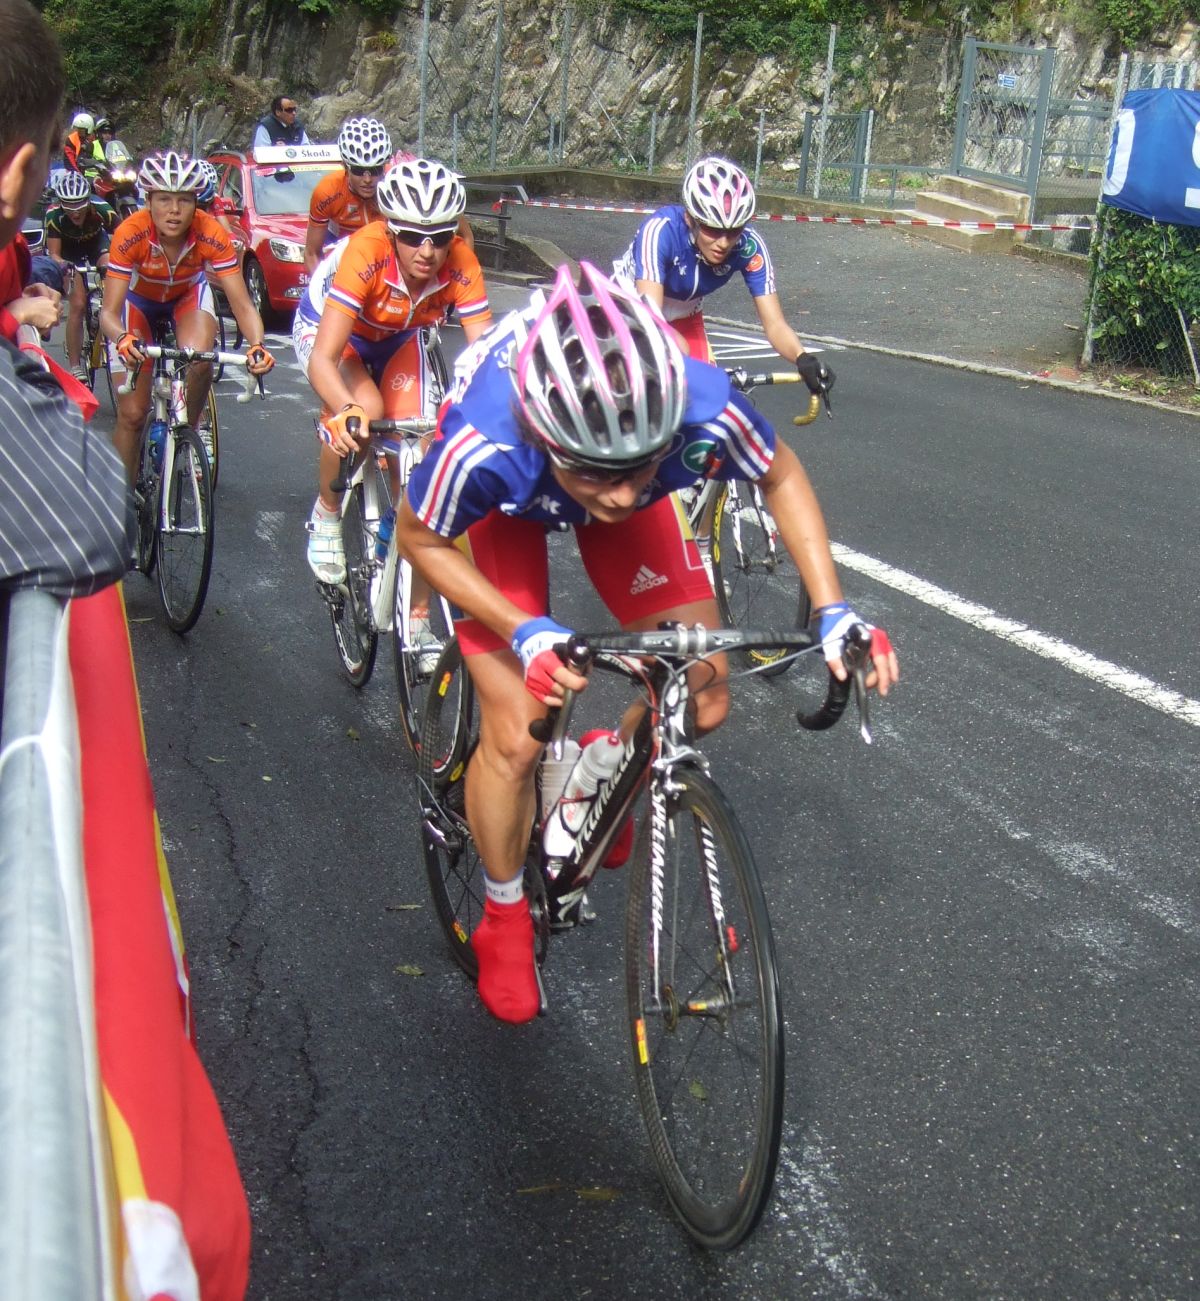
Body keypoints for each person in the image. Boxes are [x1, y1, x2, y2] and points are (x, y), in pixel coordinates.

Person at [393, 262, 898, 1024]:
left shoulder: (698, 402)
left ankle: (600, 769)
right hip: (505, 511)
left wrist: (833, 609)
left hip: (589, 465)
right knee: (520, 730)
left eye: (640, 467)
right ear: (546, 436)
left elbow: (781, 474)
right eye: (601, 474)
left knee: (705, 692)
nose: (626, 491)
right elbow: (417, 537)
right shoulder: (489, 435)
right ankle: (502, 910)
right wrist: (524, 631)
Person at [296, 156, 492, 603]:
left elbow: (486, 359)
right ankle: (326, 513)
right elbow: (324, 358)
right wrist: (345, 407)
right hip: (336, 334)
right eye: (412, 236)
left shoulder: (462, 262)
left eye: (440, 237)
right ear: (390, 231)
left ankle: (413, 608)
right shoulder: (367, 251)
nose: (427, 251)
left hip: (399, 335)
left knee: (423, 445)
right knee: (366, 412)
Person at [0, 0, 131, 600]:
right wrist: (13, 318)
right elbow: (90, 523)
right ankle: (79, 357)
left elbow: (107, 251)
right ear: (18, 175)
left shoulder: (103, 207)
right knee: (76, 298)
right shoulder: (54, 213)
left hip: (95, 250)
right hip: (66, 256)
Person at [100, 150, 274, 480]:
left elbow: (242, 304)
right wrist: (122, 338)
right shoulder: (130, 232)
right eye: (164, 199)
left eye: (184, 200)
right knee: (133, 415)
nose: (174, 210)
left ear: (197, 203)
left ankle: (187, 431)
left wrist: (257, 345)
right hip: (137, 304)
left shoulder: (210, 232)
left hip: (185, 297)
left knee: (199, 357)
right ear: (148, 201)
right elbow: (109, 312)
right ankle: (121, 501)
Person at [614, 155, 833, 397]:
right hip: (628, 312)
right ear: (690, 218)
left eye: (734, 230)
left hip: (686, 316)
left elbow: (775, 324)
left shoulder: (749, 246)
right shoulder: (660, 231)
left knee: (715, 404)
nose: (724, 242)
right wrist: (681, 355)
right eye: (713, 229)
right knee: (649, 395)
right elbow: (650, 319)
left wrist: (803, 358)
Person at [44, 170, 119, 381]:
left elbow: (124, 238)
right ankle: (75, 366)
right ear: (61, 203)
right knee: (77, 304)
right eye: (69, 205)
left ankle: (106, 316)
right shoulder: (54, 216)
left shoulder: (102, 208)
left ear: (88, 200)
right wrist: (65, 267)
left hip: (96, 244)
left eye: (79, 205)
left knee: (111, 268)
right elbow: (55, 254)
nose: (75, 212)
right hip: (68, 252)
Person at [302, 117, 391, 275]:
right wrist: (321, 286)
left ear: (384, 167)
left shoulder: (395, 187)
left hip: (382, 256)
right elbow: (312, 254)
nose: (367, 179)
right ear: (345, 167)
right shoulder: (328, 191)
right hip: (341, 255)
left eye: (375, 170)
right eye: (358, 170)